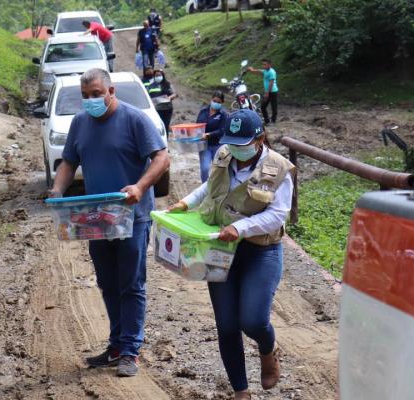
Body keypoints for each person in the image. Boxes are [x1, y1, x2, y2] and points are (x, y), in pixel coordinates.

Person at [49, 68, 169, 378]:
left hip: (133, 216)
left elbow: (161, 158)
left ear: (111, 91)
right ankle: (116, 345)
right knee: (108, 282)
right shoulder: (79, 123)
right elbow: (69, 162)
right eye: (85, 96)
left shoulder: (134, 119)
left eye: (97, 93)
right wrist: (57, 190)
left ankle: (130, 350)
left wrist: (140, 187)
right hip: (96, 218)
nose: (91, 100)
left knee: (131, 284)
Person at [168, 109, 293, 400]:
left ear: (260, 139)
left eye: (243, 142)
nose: (236, 148)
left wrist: (241, 227)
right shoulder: (224, 155)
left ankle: (267, 349)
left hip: (260, 250)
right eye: (232, 142)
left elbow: (277, 215)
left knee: (253, 320)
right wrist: (186, 203)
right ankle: (241, 391)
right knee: (226, 324)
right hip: (221, 247)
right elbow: (211, 186)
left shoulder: (278, 169)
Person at [197, 90, 229, 182]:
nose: (216, 103)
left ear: (222, 103)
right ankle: (204, 189)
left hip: (217, 145)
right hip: (204, 145)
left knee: (218, 169)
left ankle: (217, 188)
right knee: (204, 168)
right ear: (211, 100)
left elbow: (222, 130)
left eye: (219, 102)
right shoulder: (203, 111)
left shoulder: (223, 114)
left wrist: (209, 134)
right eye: (214, 101)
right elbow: (197, 125)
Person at [145, 69, 177, 134]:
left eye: (159, 75)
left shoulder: (168, 84)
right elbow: (146, 96)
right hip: (156, 109)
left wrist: (170, 97)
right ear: (154, 76)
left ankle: (166, 140)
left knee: (166, 125)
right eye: (156, 75)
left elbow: (175, 94)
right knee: (157, 125)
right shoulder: (150, 86)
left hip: (167, 108)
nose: (158, 77)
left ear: (163, 76)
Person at [247, 59, 278, 125]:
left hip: (273, 92)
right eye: (263, 64)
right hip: (268, 92)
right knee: (263, 107)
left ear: (270, 65)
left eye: (265, 64)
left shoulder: (272, 72)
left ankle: (273, 121)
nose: (263, 66)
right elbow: (259, 71)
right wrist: (252, 70)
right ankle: (267, 121)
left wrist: (267, 93)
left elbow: (271, 83)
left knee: (273, 107)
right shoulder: (265, 71)